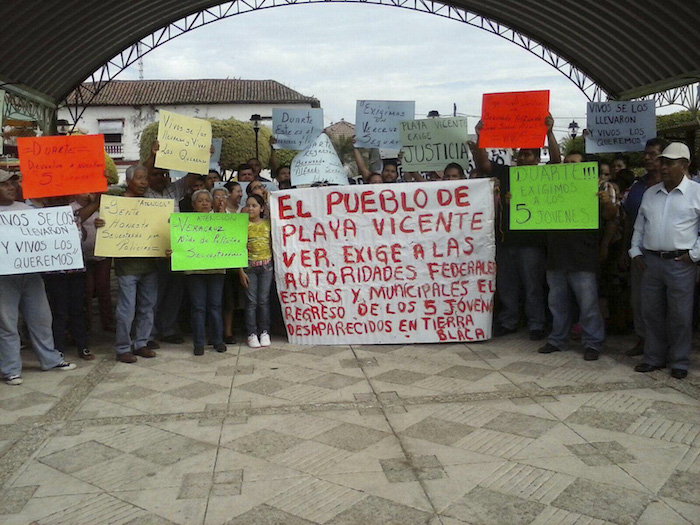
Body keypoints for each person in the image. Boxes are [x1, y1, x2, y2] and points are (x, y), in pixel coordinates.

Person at [469, 114, 561, 340]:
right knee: (507, 285)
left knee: (532, 286)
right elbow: (483, 164)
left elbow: (557, 162)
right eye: (520, 154)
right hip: (506, 240)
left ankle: (536, 324)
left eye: (528, 154)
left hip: (532, 243)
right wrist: (481, 135)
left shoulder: (543, 175)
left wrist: (549, 133)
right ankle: (508, 321)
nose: (522, 158)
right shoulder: (508, 172)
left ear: (537, 159)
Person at [629, 142, 700, 380]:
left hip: (681, 263)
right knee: (651, 312)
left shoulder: (697, 193)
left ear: (684, 165)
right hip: (651, 261)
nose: (664, 167)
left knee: (680, 315)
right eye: (663, 162)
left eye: (670, 163)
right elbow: (640, 225)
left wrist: (694, 254)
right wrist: (634, 251)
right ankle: (653, 357)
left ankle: (679, 361)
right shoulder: (651, 193)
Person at [538, 152, 617, 360]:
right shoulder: (552, 187)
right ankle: (558, 339)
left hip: (582, 255)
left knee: (588, 303)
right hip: (556, 254)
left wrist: (606, 202)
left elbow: (611, 216)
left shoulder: (599, 187)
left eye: (573, 163)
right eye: (566, 162)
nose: (568, 166)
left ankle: (592, 342)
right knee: (557, 302)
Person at [0, 170, 77, 385]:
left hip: (31, 275)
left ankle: (50, 359)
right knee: (7, 324)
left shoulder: (25, 209)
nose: (10, 187)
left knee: (42, 318)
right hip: (4, 278)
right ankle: (11, 369)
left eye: (12, 183)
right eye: (4, 184)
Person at [97, 165, 160, 363]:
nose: (143, 182)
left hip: (150, 265)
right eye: (140, 178)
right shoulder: (116, 205)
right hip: (127, 268)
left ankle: (141, 342)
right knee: (126, 309)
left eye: (145, 179)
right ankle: (123, 347)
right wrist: (102, 223)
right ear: (129, 180)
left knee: (147, 307)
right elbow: (106, 226)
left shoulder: (151, 205)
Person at [619, 138, 665, 355]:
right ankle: (642, 339)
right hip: (639, 252)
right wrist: (625, 251)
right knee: (638, 299)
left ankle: (665, 343)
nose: (647, 158)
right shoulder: (637, 187)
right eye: (646, 154)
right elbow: (629, 220)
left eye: (653, 154)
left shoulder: (682, 186)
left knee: (665, 302)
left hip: (667, 253)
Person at [185, 189, 227, 355]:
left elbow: (231, 236)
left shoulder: (220, 220)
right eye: (200, 201)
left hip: (216, 270)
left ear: (211, 204)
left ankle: (218, 340)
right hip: (194, 271)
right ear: (193, 205)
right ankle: (199, 343)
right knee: (198, 307)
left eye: (206, 200)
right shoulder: (185, 222)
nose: (204, 203)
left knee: (216, 306)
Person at [75, 192, 115, 334]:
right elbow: (78, 218)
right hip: (83, 257)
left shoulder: (105, 207)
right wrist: (94, 204)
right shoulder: (72, 207)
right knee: (87, 290)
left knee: (104, 288)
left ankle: (108, 321)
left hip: (102, 255)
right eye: (86, 191)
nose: (89, 194)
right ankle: (88, 324)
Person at [239, 194, 273, 348]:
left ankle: (264, 331)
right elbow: (237, 249)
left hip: (267, 267)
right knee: (251, 302)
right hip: (249, 267)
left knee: (263, 301)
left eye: (254, 205)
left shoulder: (268, 224)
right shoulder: (242, 225)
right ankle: (251, 333)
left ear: (262, 208)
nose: (250, 208)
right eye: (248, 205)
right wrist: (241, 271)